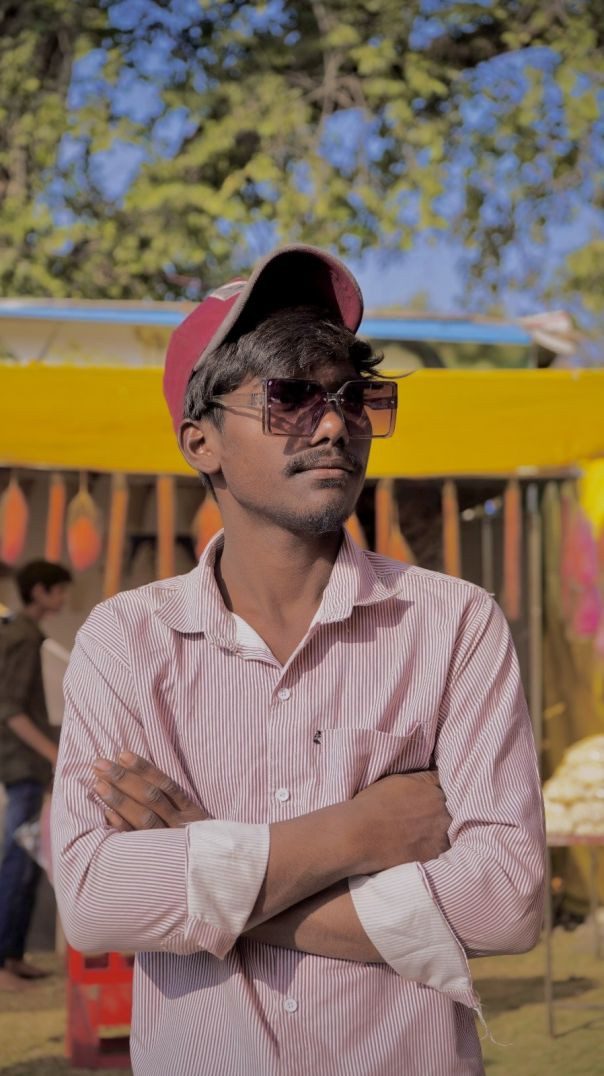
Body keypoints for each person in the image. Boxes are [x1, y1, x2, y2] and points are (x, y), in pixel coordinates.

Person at [52, 245, 545, 1075]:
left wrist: (204, 865)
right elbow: (96, 901)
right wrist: (355, 833)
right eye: (289, 397)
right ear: (201, 441)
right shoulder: (127, 640)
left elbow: (508, 900)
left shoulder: (454, 624)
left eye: (355, 398)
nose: (334, 424)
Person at [0, 558, 71, 991]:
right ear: (40, 591)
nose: (62, 598)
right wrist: (54, 754)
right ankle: (2, 963)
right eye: (58, 590)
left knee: (26, 861)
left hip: (25, 763)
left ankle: (13, 956)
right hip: (22, 763)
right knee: (17, 860)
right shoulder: (22, 636)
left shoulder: (22, 633)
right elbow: (9, 708)